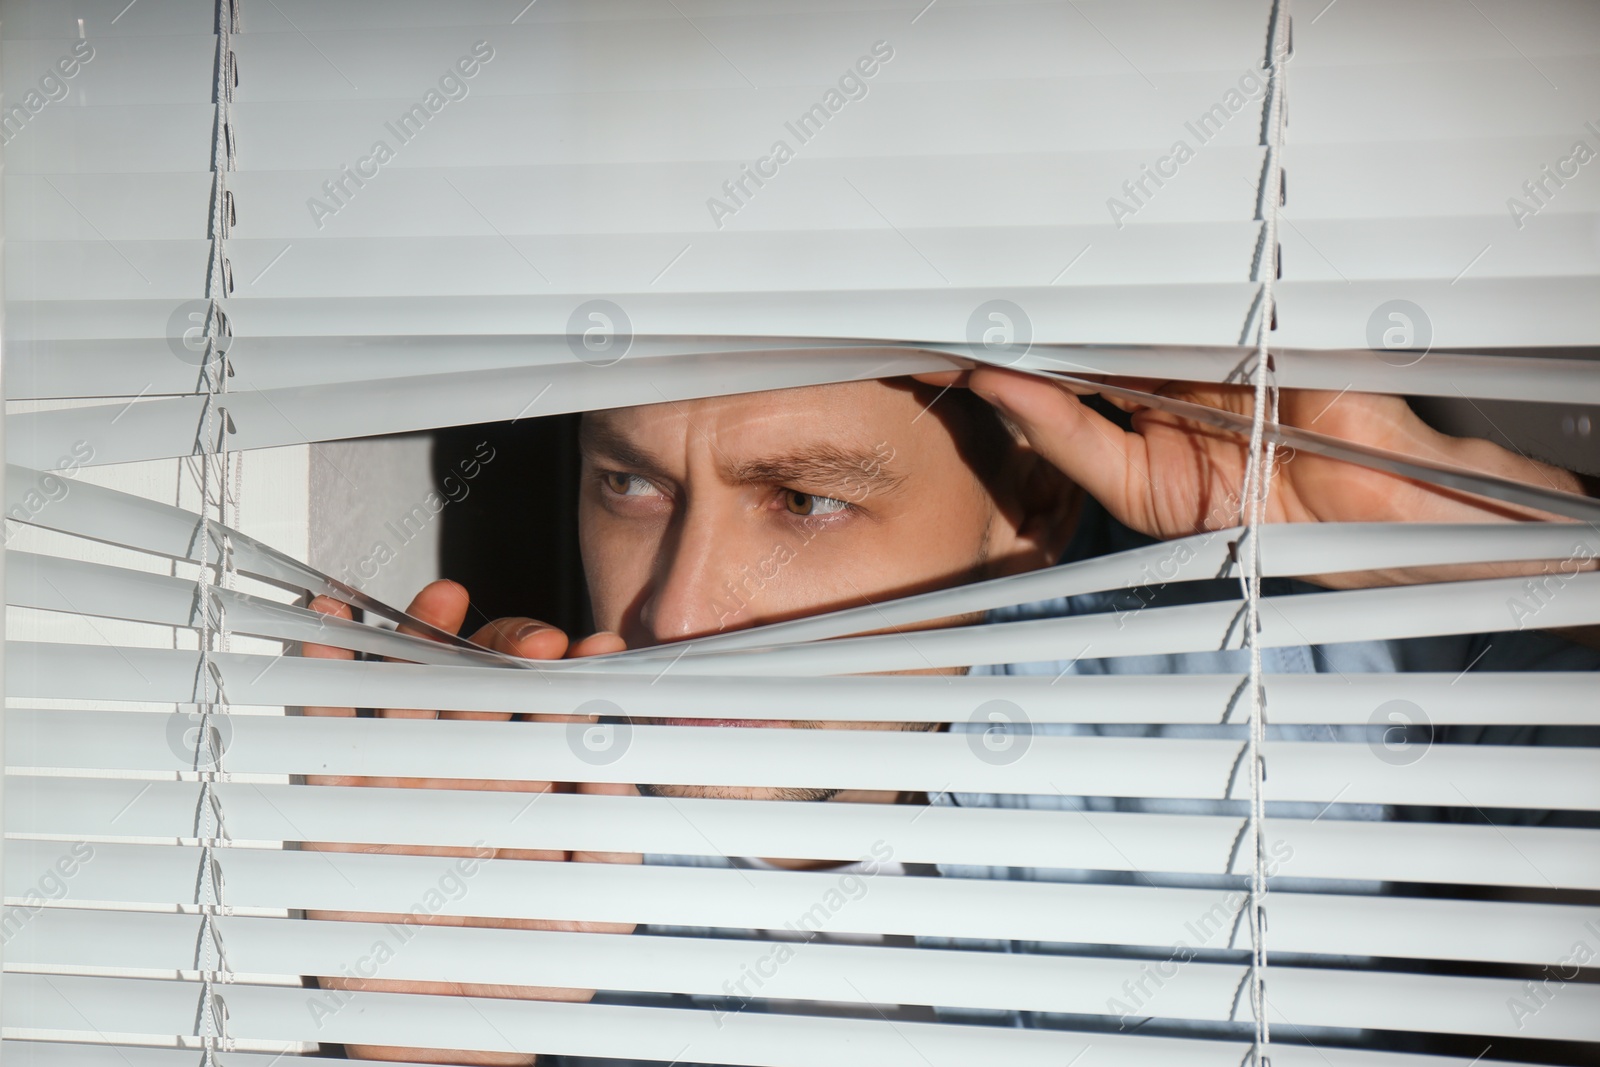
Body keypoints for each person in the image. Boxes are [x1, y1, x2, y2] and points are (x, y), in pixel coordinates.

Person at [300, 368, 1600, 1065]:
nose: (675, 620)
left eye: (805, 501)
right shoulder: (518, 855)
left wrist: (1474, 529)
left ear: (1027, 517)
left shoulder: (1317, 694)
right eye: (632, 485)